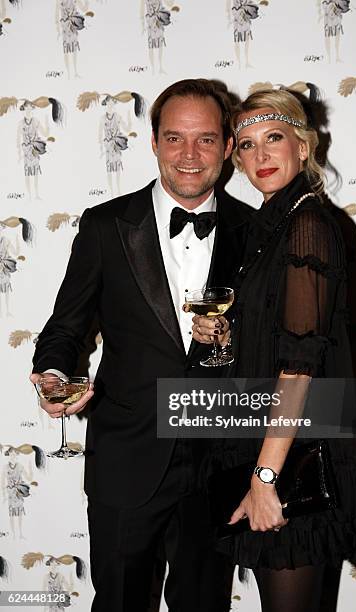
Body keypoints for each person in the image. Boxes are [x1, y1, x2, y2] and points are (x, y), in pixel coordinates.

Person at [30, 78, 252, 612]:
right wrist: (55, 374)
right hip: (127, 456)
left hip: (216, 460)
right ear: (153, 142)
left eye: (205, 139)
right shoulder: (106, 226)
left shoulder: (256, 230)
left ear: (226, 146)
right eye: (175, 138)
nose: (190, 155)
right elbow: (65, 328)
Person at [192, 88, 356, 612]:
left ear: (303, 146)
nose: (259, 156)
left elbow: (299, 368)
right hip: (268, 444)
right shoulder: (273, 227)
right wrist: (227, 335)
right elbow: (276, 334)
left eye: (273, 139)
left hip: (292, 459)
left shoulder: (307, 223)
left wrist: (266, 479)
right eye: (246, 145)